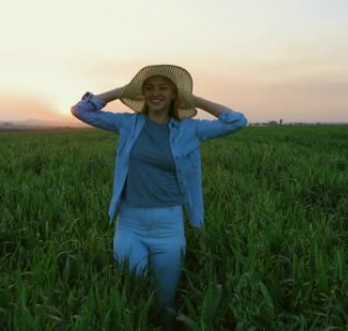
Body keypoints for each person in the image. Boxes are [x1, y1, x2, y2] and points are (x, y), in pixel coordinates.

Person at [70, 64, 247, 329]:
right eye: (149, 88)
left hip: (169, 225)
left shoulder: (190, 129)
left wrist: (193, 99)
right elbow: (80, 110)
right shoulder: (127, 124)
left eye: (163, 88)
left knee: (166, 303)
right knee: (135, 293)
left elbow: (237, 120)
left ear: (174, 93)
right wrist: (121, 91)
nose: (155, 93)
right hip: (130, 223)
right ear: (142, 94)